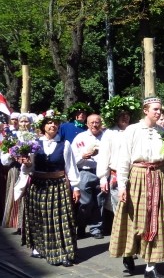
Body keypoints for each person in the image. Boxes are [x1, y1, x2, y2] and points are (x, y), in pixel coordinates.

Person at [109, 97, 164, 278]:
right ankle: (129, 253)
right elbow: (123, 159)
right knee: (135, 220)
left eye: (160, 110)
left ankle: (151, 265)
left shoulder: (163, 131)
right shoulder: (132, 130)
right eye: (155, 109)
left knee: (157, 220)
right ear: (145, 110)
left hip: (160, 176)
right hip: (138, 176)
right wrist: (122, 185)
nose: (158, 112)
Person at [20, 111, 80, 266]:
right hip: (38, 185)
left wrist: (76, 187)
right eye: (49, 123)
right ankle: (39, 248)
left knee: (61, 219)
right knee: (39, 217)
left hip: (58, 185)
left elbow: (71, 167)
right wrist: (26, 163)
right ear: (43, 126)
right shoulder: (33, 143)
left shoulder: (65, 144)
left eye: (55, 123)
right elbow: (28, 169)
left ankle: (64, 253)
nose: (52, 125)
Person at [97, 96, 137, 231]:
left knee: (135, 208)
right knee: (119, 208)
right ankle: (121, 241)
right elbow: (104, 155)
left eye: (127, 115)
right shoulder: (109, 133)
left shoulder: (136, 131)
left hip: (136, 174)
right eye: (121, 115)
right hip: (116, 175)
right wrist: (103, 177)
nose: (125, 118)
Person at [71, 114, 105, 239]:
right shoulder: (81, 137)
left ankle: (96, 228)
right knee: (85, 202)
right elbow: (72, 158)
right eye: (92, 122)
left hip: (101, 171)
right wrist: (82, 157)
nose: (95, 125)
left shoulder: (105, 137)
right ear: (87, 124)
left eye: (97, 122)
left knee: (99, 201)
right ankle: (80, 225)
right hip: (85, 171)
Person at [2, 113, 35, 230]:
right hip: (16, 168)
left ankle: (28, 222)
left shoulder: (34, 136)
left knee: (29, 195)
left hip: (30, 169)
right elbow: (4, 158)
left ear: (30, 123)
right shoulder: (12, 136)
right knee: (15, 194)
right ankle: (17, 222)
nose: (24, 124)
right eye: (22, 121)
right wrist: (13, 155)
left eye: (26, 121)